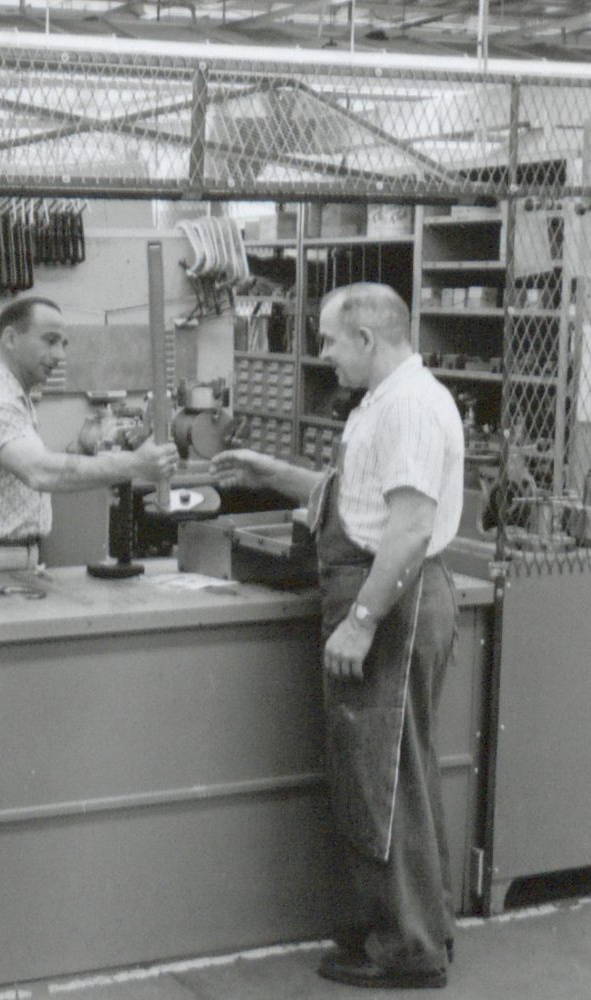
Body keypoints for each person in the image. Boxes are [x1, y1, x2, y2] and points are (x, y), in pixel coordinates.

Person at [212, 282, 464, 990]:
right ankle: (416, 928)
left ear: (368, 339)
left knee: (383, 775)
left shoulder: (409, 406)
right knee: (390, 771)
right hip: (380, 590)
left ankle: (408, 950)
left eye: (327, 340)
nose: (322, 355)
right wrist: (272, 473)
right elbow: (356, 497)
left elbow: (409, 527)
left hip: (390, 600)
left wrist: (361, 621)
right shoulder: (383, 405)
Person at [0, 296, 179, 577]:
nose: (60, 356)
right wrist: (135, 464)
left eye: (63, 344)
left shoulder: (16, 396)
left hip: (6, 559)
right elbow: (39, 472)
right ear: (11, 339)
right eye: (50, 341)